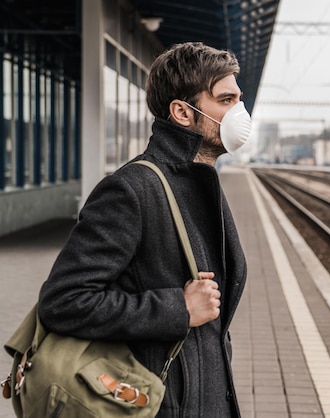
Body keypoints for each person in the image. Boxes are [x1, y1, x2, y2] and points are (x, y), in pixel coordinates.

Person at [38, 42, 251, 417]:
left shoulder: (201, 183)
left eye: (239, 99)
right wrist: (177, 308)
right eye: (226, 100)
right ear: (183, 112)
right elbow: (64, 301)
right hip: (157, 404)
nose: (241, 112)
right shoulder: (132, 189)